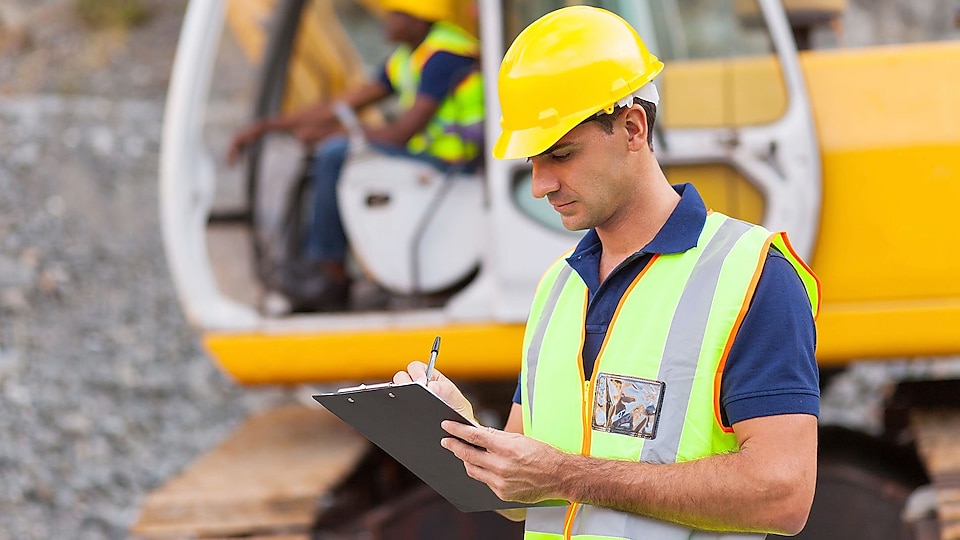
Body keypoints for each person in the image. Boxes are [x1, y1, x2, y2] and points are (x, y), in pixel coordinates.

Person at [394, 5, 820, 539]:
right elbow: (523, 497)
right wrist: (467, 433)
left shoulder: (753, 274)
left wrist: (568, 476)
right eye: (532, 161)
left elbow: (782, 495)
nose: (540, 184)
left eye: (562, 154)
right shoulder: (558, 287)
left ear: (632, 126)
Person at [226, 0, 484, 312]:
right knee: (336, 151)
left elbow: (401, 133)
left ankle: (329, 267)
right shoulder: (409, 56)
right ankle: (336, 263)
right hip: (431, 160)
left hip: (459, 166)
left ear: (418, 19)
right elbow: (344, 104)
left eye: (395, 15)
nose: (386, 22)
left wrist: (331, 135)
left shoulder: (444, 56)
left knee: (336, 153)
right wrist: (267, 126)